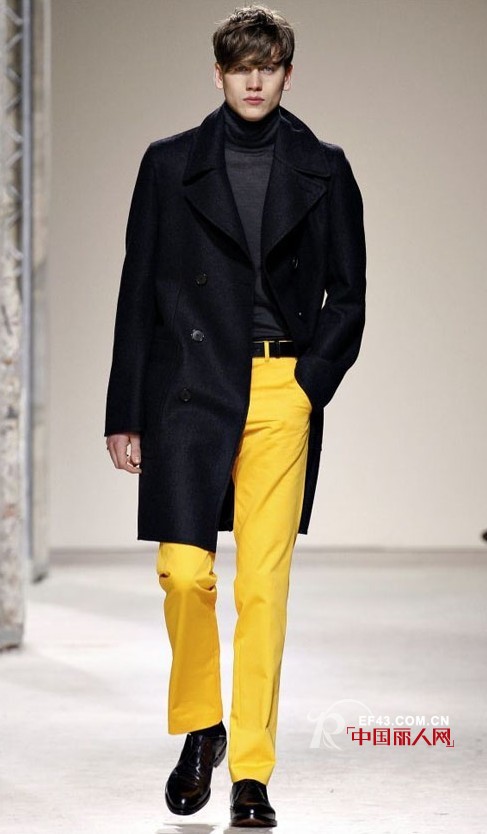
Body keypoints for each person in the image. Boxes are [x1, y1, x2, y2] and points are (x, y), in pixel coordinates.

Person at [104, 4, 366, 827]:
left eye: (268, 66)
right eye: (240, 67)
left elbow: (349, 296)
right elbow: (137, 290)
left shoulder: (324, 168)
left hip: (279, 388)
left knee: (263, 588)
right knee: (184, 574)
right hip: (187, 389)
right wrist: (124, 410)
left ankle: (250, 772)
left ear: (287, 73)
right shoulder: (167, 164)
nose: (254, 81)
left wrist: (308, 383)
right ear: (217, 73)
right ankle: (202, 726)